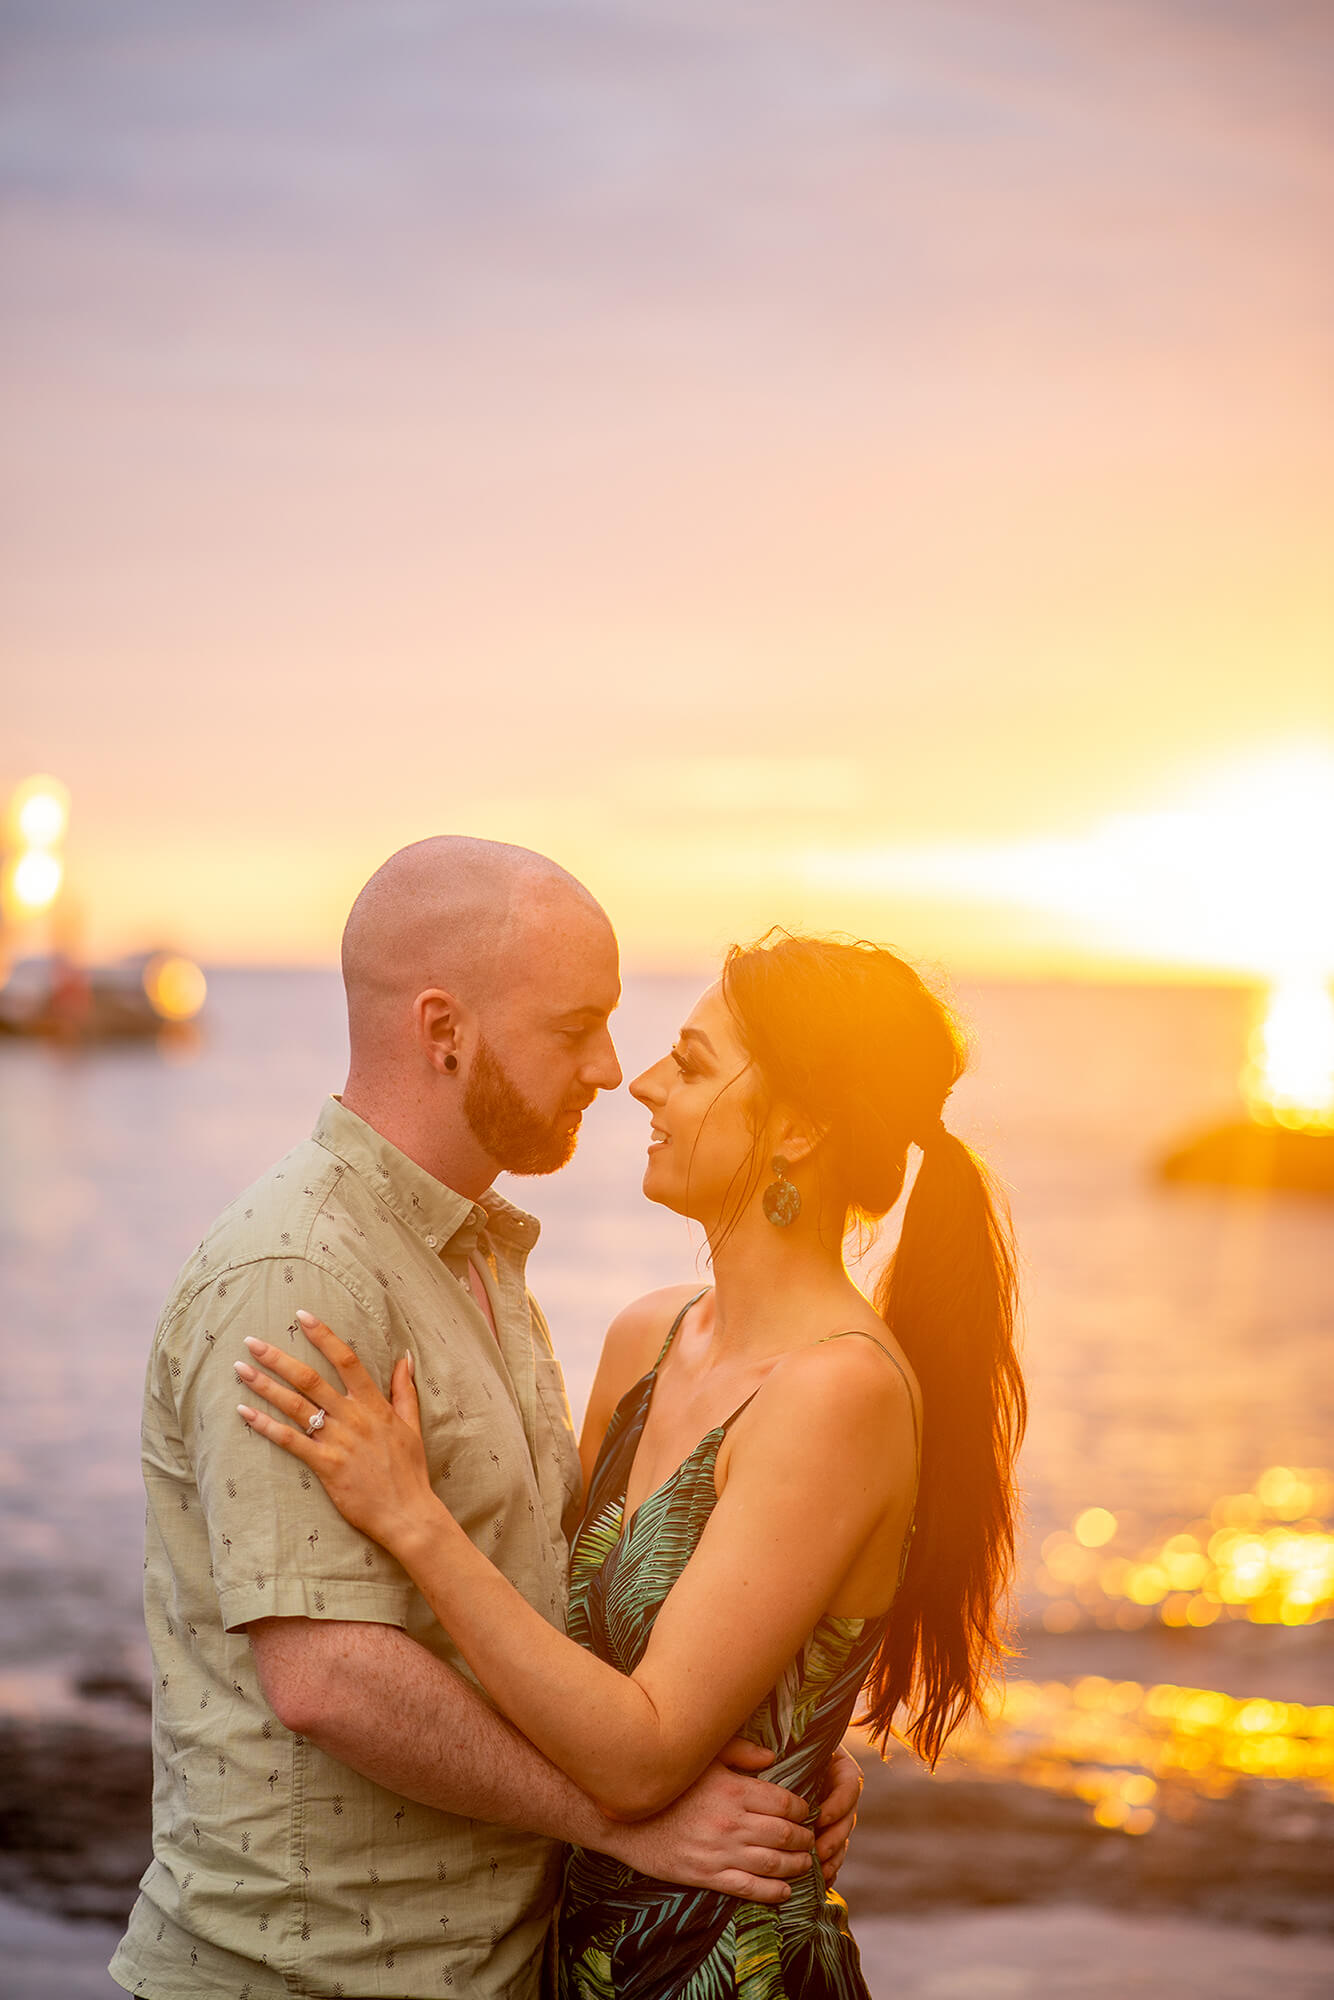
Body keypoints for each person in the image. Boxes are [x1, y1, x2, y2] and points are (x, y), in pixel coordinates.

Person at [111, 842, 862, 2000]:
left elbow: (544, 1595)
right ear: (442, 1027)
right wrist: (626, 1820)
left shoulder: (478, 1256)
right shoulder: (297, 1269)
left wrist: (766, 1729)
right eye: (574, 1028)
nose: (611, 1068)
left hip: (490, 1963)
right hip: (306, 1973)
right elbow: (324, 1674)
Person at [235, 929, 1028, 1998]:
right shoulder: (646, 1337)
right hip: (570, 1948)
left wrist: (411, 1513)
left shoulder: (838, 1391)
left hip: (723, 1964)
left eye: (693, 1063)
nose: (640, 1083)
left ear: (796, 1128)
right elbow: (539, 1614)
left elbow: (642, 1750)